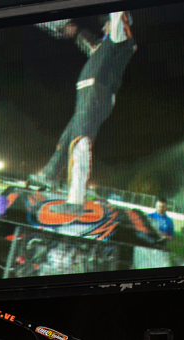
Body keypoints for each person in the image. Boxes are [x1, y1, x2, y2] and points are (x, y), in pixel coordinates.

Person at [30, 12, 136, 215]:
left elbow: (116, 16)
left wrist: (116, 16)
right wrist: (70, 28)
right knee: (68, 138)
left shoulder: (121, 36)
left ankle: (76, 201)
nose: (104, 27)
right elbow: (87, 41)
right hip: (90, 94)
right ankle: (50, 174)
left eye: (106, 24)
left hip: (97, 94)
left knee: (80, 141)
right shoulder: (104, 45)